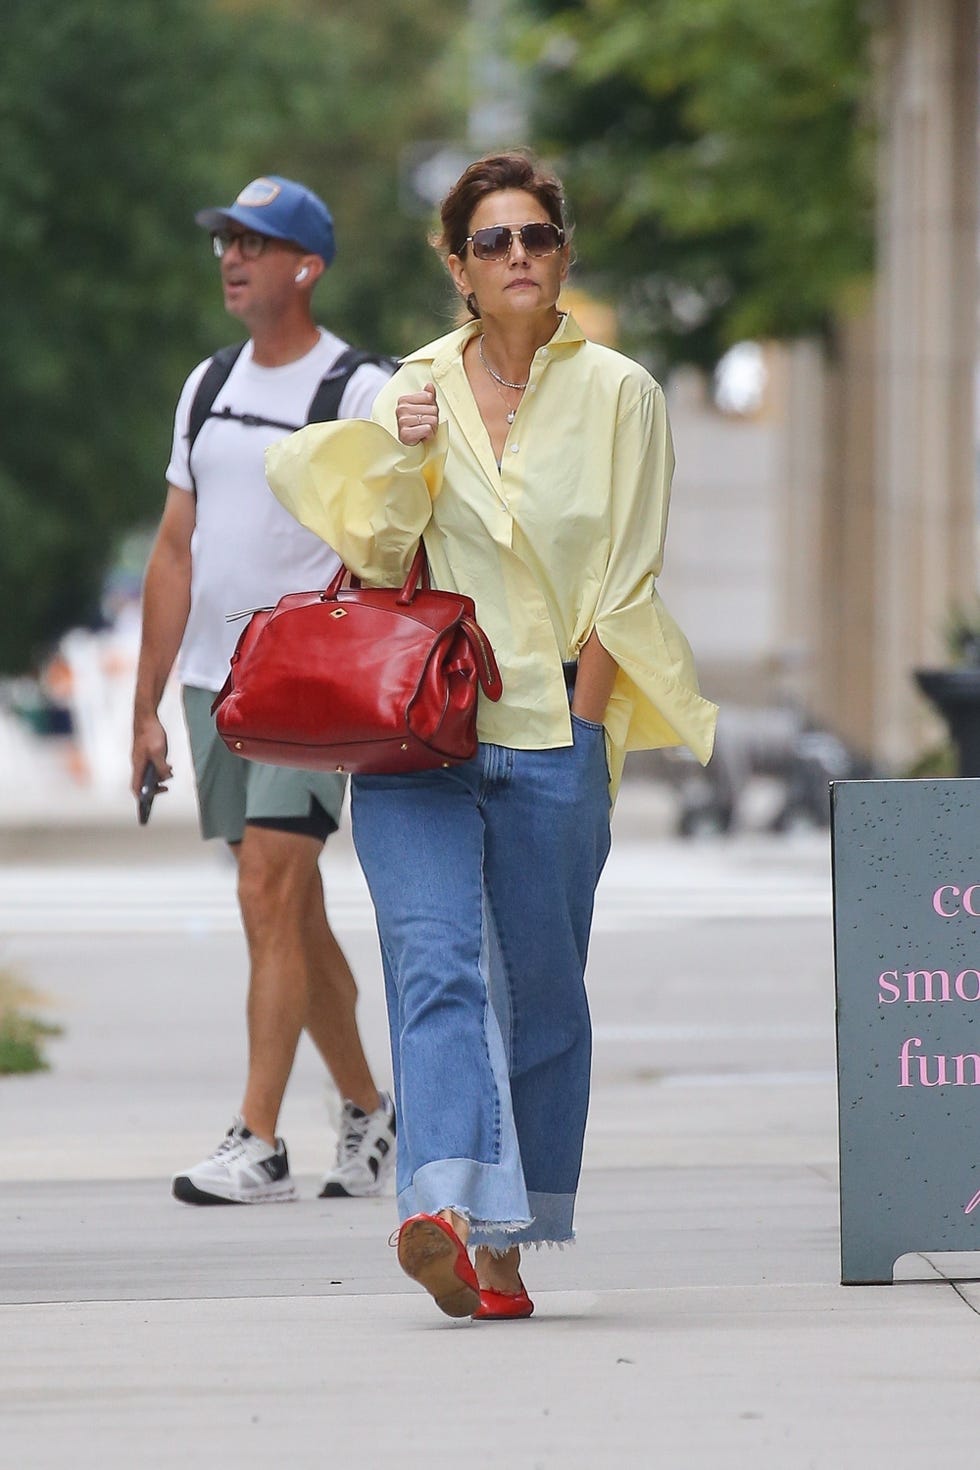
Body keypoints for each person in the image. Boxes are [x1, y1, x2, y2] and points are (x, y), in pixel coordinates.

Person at [266, 152, 717, 1315]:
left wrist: (581, 720)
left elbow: (627, 579)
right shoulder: (408, 388)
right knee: (432, 967)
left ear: (561, 254)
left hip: (553, 728)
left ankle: (508, 1243)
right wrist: (399, 451)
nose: (515, 255)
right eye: (490, 241)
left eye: (534, 236)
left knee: (543, 994)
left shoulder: (621, 393)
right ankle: (442, 1208)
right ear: (457, 266)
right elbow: (375, 557)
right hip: (420, 734)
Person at [131, 175, 397, 1206]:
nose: (234, 259)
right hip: (214, 686)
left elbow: (400, 525)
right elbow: (173, 551)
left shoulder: (359, 389)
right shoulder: (206, 384)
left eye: (256, 243)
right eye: (226, 242)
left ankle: (260, 1141)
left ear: (307, 266)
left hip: (308, 689)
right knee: (292, 913)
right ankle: (369, 1110)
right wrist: (146, 707)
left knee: (267, 894)